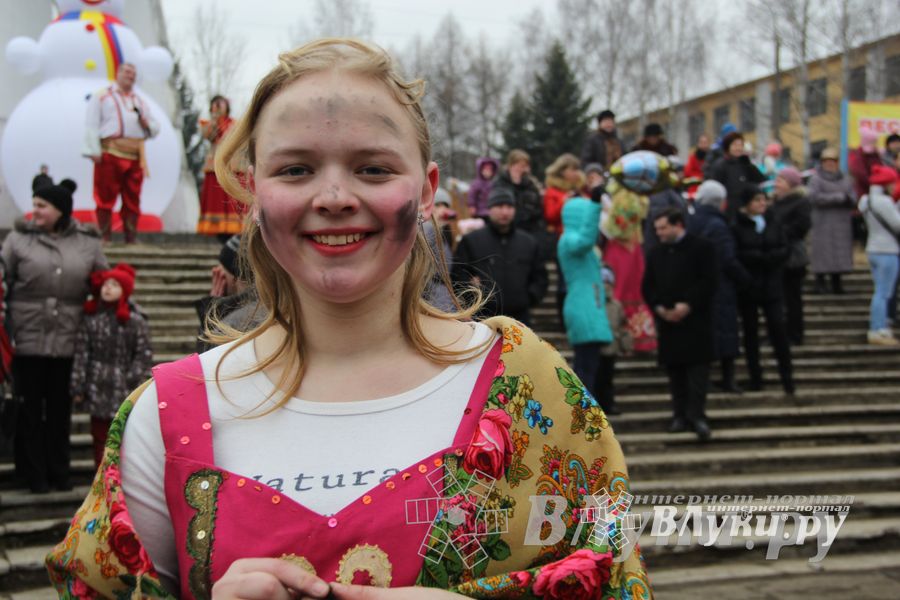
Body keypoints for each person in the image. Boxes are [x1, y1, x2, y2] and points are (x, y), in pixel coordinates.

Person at [48, 39, 650, 598]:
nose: (334, 196)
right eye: (295, 170)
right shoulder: (165, 417)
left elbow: (617, 579)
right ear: (254, 194)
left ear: (425, 190)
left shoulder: (531, 390)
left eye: (373, 168)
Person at [1, 179, 108, 493]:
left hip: (69, 338)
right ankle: (32, 474)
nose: (34, 211)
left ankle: (59, 472)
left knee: (61, 410)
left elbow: (103, 280)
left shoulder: (87, 242)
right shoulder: (17, 240)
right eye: (34, 205)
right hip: (26, 337)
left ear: (60, 210)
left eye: (41, 206)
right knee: (29, 408)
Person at [642, 208, 718, 440]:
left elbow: (709, 280)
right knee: (675, 372)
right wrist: (659, 308)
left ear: (678, 225)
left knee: (697, 373)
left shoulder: (703, 248)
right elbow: (648, 285)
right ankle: (679, 415)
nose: (659, 233)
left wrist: (688, 305)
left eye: (663, 228)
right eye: (657, 229)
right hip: (668, 322)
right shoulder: (655, 253)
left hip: (696, 320)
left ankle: (697, 416)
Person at [70, 263, 153, 468]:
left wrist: (133, 381)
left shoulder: (135, 321)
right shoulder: (91, 319)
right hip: (96, 385)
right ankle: (101, 481)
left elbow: (142, 355)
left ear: (124, 290)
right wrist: (78, 384)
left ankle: (118, 479)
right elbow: (82, 353)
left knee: (122, 437)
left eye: (115, 284)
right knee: (98, 437)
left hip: (122, 388)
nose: (108, 288)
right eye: (106, 283)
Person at [83, 62, 160, 243]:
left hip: (135, 154)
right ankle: (105, 236)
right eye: (127, 72)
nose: (130, 76)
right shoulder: (103, 96)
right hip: (110, 151)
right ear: (117, 73)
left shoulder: (139, 101)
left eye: (133, 73)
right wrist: (93, 150)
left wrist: (145, 123)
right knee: (104, 196)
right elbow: (92, 123)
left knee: (132, 198)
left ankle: (130, 237)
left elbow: (155, 128)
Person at [688, 180, 751, 393]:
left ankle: (705, 379)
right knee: (724, 331)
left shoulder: (691, 220)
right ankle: (727, 378)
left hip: (696, 284)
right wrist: (745, 279)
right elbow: (727, 258)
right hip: (721, 286)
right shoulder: (718, 225)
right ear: (721, 202)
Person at [452, 187, 548, 325]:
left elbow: (540, 277)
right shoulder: (471, 241)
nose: (504, 211)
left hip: (520, 320)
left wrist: (528, 298)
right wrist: (473, 297)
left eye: (509, 206)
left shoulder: (528, 242)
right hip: (483, 320)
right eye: (499, 206)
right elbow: (457, 276)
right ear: (489, 208)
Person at [732, 186, 795, 394]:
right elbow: (738, 253)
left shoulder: (773, 222)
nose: (762, 204)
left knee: (778, 330)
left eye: (764, 200)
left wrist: (768, 258)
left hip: (772, 284)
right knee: (750, 333)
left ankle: (787, 377)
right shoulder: (738, 225)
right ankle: (755, 376)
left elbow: (784, 248)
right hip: (749, 286)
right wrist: (759, 258)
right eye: (757, 200)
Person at [557, 182, 613, 408]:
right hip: (583, 306)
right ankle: (584, 412)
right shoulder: (570, 240)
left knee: (590, 364)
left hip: (589, 305)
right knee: (585, 368)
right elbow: (586, 239)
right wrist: (595, 205)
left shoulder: (573, 242)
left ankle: (590, 412)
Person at [603, 186, 657, 352]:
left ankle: (622, 334)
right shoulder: (635, 199)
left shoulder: (623, 199)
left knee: (623, 287)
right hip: (630, 246)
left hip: (623, 247)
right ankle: (637, 336)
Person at [194, 235, 261, 352]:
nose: (216, 272)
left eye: (222, 269)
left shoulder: (231, 325)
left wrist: (213, 311)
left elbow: (205, 360)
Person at [858, 165, 900, 346]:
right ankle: (877, 328)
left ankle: (879, 326)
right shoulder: (885, 202)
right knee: (884, 292)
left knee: (880, 290)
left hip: (872, 248)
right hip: (887, 250)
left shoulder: (865, 200)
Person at [770, 167, 812, 345]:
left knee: (792, 298)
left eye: (781, 180)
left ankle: (794, 333)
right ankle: (779, 333)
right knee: (779, 299)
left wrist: (777, 233)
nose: (777, 184)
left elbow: (801, 227)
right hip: (776, 255)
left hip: (793, 257)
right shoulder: (775, 203)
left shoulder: (800, 202)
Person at [808, 147, 857, 294]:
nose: (830, 164)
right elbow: (814, 198)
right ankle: (820, 283)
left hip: (841, 223)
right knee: (822, 253)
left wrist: (847, 199)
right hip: (823, 223)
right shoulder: (816, 179)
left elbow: (853, 198)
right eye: (827, 161)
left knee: (838, 253)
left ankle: (837, 283)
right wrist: (837, 197)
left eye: (833, 161)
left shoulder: (846, 179)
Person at [197, 95, 246, 240]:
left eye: (221, 103)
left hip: (233, 168)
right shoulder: (208, 124)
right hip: (214, 168)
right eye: (215, 104)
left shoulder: (236, 124)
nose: (218, 106)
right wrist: (214, 118)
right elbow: (209, 135)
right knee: (216, 202)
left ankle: (234, 229)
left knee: (232, 201)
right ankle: (217, 228)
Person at [707, 131, 766, 223]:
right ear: (728, 147)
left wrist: (748, 164)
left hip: (745, 209)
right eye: (735, 145)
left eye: (740, 145)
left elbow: (761, 180)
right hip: (729, 210)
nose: (738, 148)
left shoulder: (745, 163)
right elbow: (715, 187)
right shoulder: (720, 165)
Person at [491, 149, 547, 244]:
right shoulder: (500, 182)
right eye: (519, 165)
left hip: (530, 229)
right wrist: (515, 183)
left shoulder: (531, 184)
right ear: (510, 166)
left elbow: (538, 208)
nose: (522, 169)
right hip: (509, 229)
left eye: (524, 166)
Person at [597, 266, 631, 415]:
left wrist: (625, 344)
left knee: (608, 378)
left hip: (612, 346)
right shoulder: (594, 303)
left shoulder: (616, 305)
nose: (605, 285)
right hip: (597, 346)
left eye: (608, 282)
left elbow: (623, 324)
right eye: (602, 281)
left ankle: (609, 404)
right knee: (597, 378)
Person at [423, 188, 458, 312]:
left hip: (442, 300)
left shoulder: (444, 233)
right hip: (431, 302)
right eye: (437, 205)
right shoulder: (426, 230)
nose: (442, 209)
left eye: (445, 206)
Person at [543, 153, 583, 239]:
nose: (577, 173)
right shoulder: (552, 191)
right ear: (562, 171)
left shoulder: (580, 189)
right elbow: (550, 216)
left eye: (577, 170)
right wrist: (563, 202)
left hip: (580, 235)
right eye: (573, 170)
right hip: (561, 237)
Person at [848, 128, 886, 200]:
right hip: (864, 192)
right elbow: (860, 173)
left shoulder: (876, 154)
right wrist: (874, 183)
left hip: (877, 191)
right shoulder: (858, 155)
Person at [682, 134, 710, 199]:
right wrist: (699, 177)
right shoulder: (692, 158)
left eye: (705, 143)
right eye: (701, 142)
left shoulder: (711, 158)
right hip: (694, 189)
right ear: (698, 144)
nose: (703, 145)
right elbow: (687, 172)